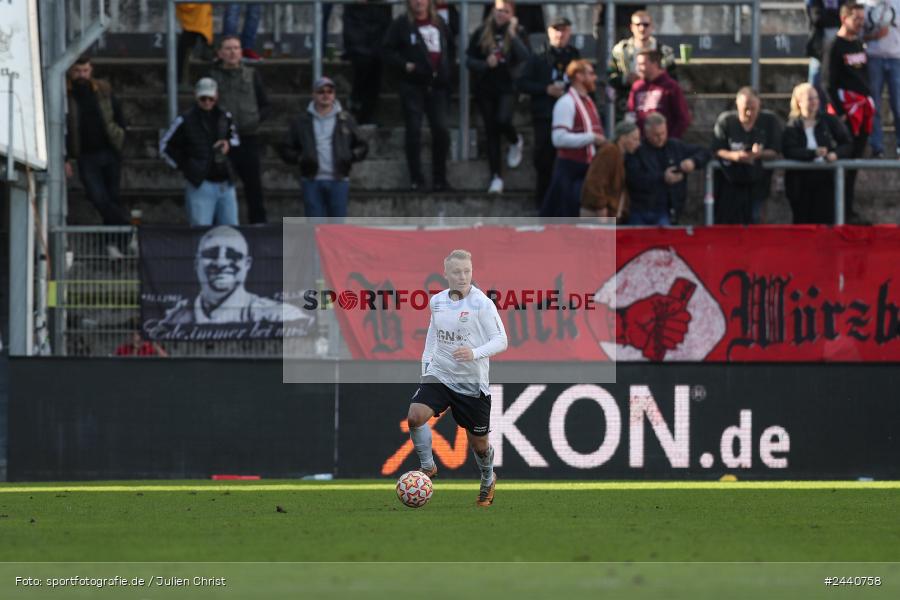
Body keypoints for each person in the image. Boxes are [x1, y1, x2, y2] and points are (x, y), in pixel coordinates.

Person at [406, 249, 508, 507]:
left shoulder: (482, 304)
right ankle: (428, 467)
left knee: (479, 446)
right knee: (415, 416)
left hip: (472, 385)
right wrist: (425, 367)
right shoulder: (438, 301)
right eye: (456, 272)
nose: (462, 277)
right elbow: (433, 334)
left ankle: (488, 478)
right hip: (440, 373)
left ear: (472, 272)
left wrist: (474, 352)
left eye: (467, 271)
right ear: (446, 274)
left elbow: (501, 341)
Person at [160, 226, 313, 326]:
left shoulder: (277, 314)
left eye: (233, 255)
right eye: (210, 254)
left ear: (247, 264)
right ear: (196, 263)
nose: (221, 263)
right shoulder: (173, 320)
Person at [383, 0, 455, 191]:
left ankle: (440, 178)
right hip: (413, 85)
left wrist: (447, 72)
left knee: (441, 131)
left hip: (437, 85)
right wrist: (404, 65)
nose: (419, 2)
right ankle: (416, 179)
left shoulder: (439, 22)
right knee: (413, 131)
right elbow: (387, 51)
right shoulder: (401, 24)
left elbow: (451, 47)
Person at [65, 56, 129, 258]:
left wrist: (119, 136)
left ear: (91, 70)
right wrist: (65, 157)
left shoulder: (103, 90)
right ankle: (129, 230)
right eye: (77, 71)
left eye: (85, 70)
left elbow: (119, 116)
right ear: (70, 72)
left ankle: (114, 243)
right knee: (98, 198)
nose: (81, 75)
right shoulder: (65, 94)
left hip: (109, 151)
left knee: (113, 198)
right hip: (86, 156)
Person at [279, 77, 369, 219]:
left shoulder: (346, 119)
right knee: (315, 227)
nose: (326, 95)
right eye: (321, 91)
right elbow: (285, 148)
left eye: (330, 91)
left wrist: (349, 156)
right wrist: (300, 158)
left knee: (337, 228)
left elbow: (362, 145)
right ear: (313, 94)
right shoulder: (301, 121)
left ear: (334, 94)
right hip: (311, 180)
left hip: (339, 180)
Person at [466, 0, 530, 194]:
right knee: (491, 131)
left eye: (506, 11)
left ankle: (515, 140)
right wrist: (485, 64)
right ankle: (496, 177)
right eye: (498, 10)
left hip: (507, 86)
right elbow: (469, 59)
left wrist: (513, 34)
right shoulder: (482, 32)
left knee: (502, 120)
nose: (501, 14)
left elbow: (526, 56)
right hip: (486, 87)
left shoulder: (518, 32)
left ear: (512, 14)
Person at [517, 16, 581, 207]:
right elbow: (522, 82)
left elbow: (585, 82)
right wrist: (546, 89)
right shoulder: (538, 56)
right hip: (545, 114)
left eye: (564, 30)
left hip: (571, 116)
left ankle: (567, 202)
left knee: (570, 160)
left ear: (569, 32)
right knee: (544, 159)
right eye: (556, 30)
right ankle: (544, 202)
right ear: (549, 32)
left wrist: (570, 91)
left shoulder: (575, 56)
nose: (560, 34)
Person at [159, 78, 240, 226]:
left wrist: (228, 145)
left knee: (232, 231)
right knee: (200, 233)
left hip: (225, 182)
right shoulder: (184, 120)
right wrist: (187, 166)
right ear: (196, 96)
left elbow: (236, 141)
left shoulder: (225, 116)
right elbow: (165, 146)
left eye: (210, 98)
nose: (207, 102)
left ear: (216, 96)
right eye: (203, 98)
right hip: (201, 184)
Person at [209, 35, 271, 224]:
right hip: (222, 140)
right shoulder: (212, 76)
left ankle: (259, 227)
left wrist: (255, 121)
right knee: (218, 186)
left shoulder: (252, 74)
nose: (233, 52)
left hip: (248, 138)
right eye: (228, 48)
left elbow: (265, 105)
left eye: (236, 48)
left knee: (254, 187)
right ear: (220, 53)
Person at [823, 2, 875, 223]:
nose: (861, 23)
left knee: (855, 162)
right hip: (846, 112)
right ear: (844, 19)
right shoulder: (834, 45)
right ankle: (835, 211)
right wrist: (841, 112)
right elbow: (827, 83)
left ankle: (848, 210)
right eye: (857, 19)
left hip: (862, 110)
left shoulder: (859, 44)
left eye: (863, 19)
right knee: (843, 160)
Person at [540, 59, 606, 217]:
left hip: (587, 169)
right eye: (590, 74)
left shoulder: (588, 102)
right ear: (578, 77)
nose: (594, 78)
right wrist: (591, 138)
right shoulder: (566, 102)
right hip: (570, 169)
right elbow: (558, 138)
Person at [782, 83, 853, 223]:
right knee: (803, 222)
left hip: (825, 181)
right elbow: (789, 151)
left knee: (825, 220)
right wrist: (813, 153)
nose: (814, 102)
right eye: (810, 99)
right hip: (801, 183)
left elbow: (847, 143)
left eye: (816, 98)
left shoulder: (829, 120)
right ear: (799, 102)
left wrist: (835, 154)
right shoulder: (792, 126)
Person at [710, 87, 783, 224]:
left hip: (757, 183)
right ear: (737, 104)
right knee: (728, 222)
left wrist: (758, 154)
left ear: (759, 105)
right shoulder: (726, 120)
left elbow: (776, 150)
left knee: (755, 219)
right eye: (745, 109)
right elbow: (716, 149)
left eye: (753, 108)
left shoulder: (769, 121)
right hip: (730, 184)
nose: (749, 113)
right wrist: (735, 156)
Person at [625, 112, 709, 225]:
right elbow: (634, 179)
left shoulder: (675, 146)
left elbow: (705, 151)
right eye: (656, 135)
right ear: (647, 133)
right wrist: (662, 177)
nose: (660, 138)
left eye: (663, 133)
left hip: (666, 209)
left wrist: (693, 162)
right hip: (641, 208)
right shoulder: (638, 151)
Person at [608, 10, 677, 119]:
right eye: (638, 24)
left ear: (652, 27)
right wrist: (626, 79)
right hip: (627, 102)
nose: (642, 28)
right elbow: (610, 77)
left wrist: (655, 78)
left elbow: (673, 80)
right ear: (631, 27)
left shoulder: (665, 51)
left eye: (645, 24)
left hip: (657, 103)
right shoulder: (620, 51)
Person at [342, 0, 393, 125]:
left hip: (380, 16)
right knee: (363, 61)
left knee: (376, 69)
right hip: (358, 18)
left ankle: (367, 114)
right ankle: (356, 101)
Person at [581, 120, 641, 219]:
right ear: (623, 138)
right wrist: (600, 207)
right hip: (597, 213)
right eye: (634, 139)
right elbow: (595, 181)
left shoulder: (618, 154)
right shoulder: (610, 152)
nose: (638, 144)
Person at [863, 0, 900, 158]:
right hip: (873, 59)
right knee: (874, 105)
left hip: (896, 59)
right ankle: (877, 147)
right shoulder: (863, 4)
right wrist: (874, 36)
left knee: (898, 105)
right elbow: (858, 35)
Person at [628, 49, 691, 140]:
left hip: (664, 144)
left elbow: (683, 118)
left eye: (642, 64)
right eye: (637, 65)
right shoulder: (637, 87)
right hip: (641, 144)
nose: (638, 68)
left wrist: (670, 140)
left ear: (655, 64)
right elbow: (631, 114)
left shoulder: (670, 86)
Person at [806, 0, 844, 92]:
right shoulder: (814, 2)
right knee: (815, 86)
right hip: (819, 51)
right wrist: (837, 15)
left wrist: (827, 13)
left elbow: (846, 18)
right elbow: (817, 19)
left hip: (839, 52)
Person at [176, 3, 214, 89]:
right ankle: (179, 82)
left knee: (188, 46)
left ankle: (180, 81)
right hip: (197, 11)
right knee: (186, 47)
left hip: (200, 12)